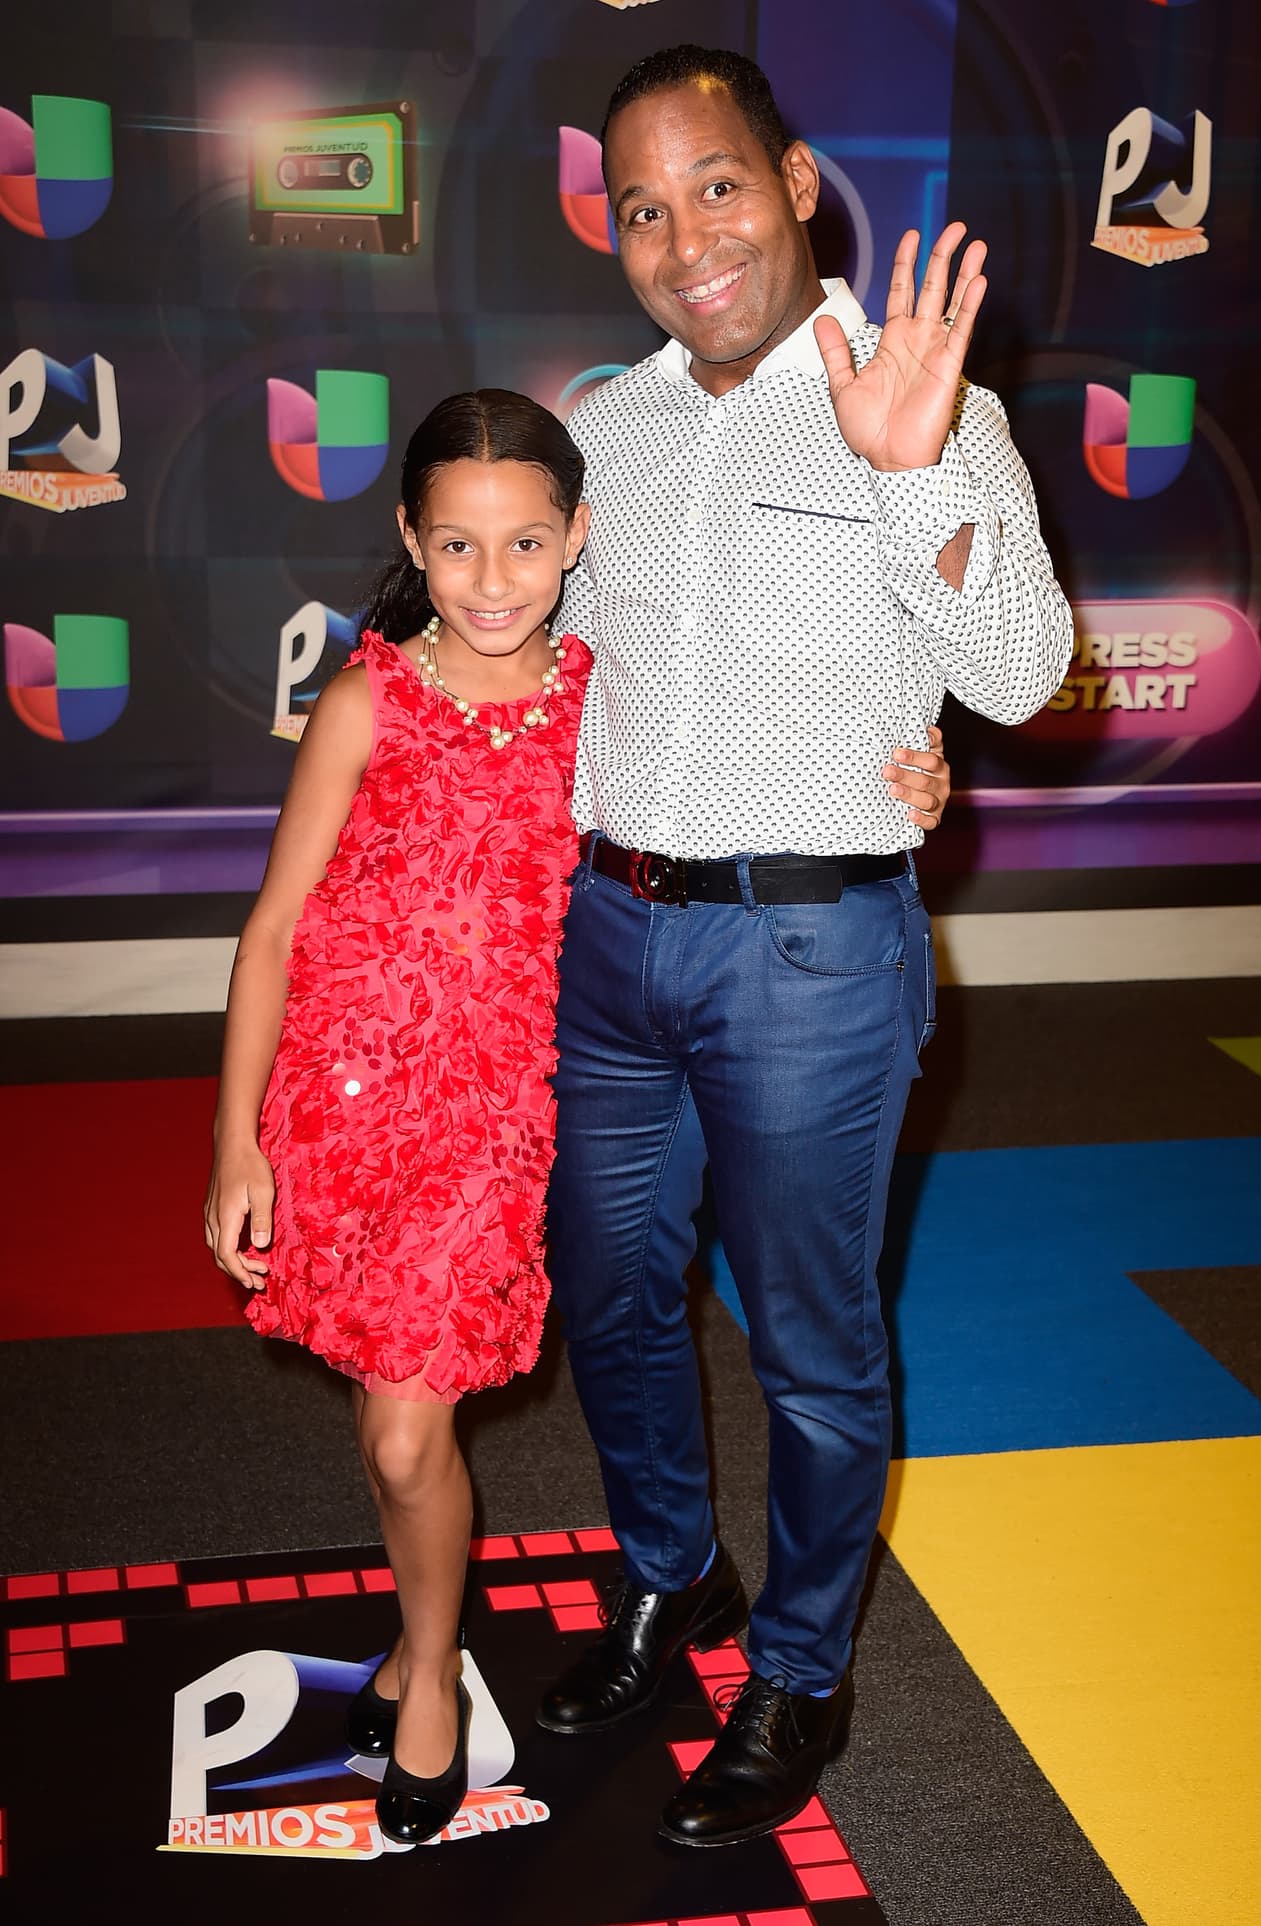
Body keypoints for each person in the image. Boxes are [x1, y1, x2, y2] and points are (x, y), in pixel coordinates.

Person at [536, 45, 1074, 1849]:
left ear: (796, 181)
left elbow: (1017, 676)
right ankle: (670, 1579)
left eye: (716, 185)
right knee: (610, 1299)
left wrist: (919, 478)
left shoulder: (921, 392)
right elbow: (542, 673)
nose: (683, 234)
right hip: (610, 940)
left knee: (816, 1351)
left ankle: (802, 1666)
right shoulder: (605, 425)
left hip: (812, 955)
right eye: (640, 204)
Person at [203, 388, 594, 1846]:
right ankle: (407, 1639)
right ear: (411, 544)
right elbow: (271, 933)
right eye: (458, 546)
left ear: (577, 538)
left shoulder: (608, 706)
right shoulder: (366, 698)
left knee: (414, 1442)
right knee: (385, 1434)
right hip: (344, 1110)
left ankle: (428, 1669)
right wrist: (237, 1140)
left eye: (526, 543)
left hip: (495, 1125)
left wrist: (904, 769)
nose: (494, 581)